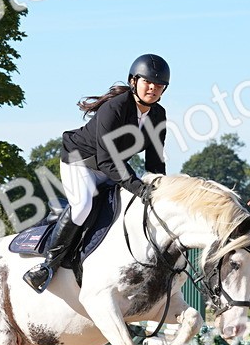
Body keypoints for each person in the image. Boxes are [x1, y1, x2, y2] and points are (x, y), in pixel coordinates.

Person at [23, 54, 170, 293]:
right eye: (147, 82)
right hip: (80, 162)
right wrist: (137, 186)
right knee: (82, 206)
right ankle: (47, 266)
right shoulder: (115, 107)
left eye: (159, 84)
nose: (153, 88)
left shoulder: (158, 115)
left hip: (111, 167)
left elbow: (155, 160)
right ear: (133, 81)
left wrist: (160, 188)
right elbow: (106, 158)